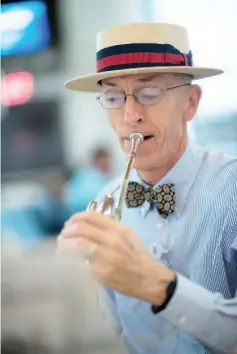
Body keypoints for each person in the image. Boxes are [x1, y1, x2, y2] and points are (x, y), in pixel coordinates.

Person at [57, 22, 237, 354]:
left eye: (149, 93)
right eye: (113, 96)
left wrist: (161, 288)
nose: (130, 115)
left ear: (191, 103)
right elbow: (109, 333)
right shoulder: (103, 203)